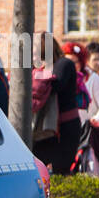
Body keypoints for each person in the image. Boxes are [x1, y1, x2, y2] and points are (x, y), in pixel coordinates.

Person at [31, 31, 80, 173]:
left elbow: (54, 85)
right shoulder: (35, 69)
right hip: (42, 129)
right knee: (38, 170)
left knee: (60, 172)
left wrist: (33, 74)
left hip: (64, 130)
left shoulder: (64, 64)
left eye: (33, 50)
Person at [63, 41, 99, 174]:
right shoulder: (61, 78)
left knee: (89, 171)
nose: (71, 66)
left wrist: (97, 119)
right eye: (67, 62)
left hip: (86, 134)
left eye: (74, 62)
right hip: (66, 133)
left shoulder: (92, 78)